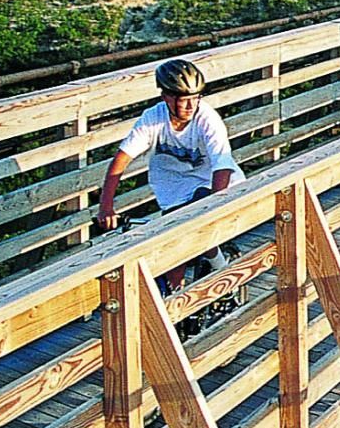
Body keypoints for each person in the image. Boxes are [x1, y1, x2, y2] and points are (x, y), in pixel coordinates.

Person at [96, 58, 247, 295]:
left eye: (195, 98)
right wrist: (106, 207)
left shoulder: (207, 118)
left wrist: (215, 207)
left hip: (212, 181)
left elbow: (222, 163)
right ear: (166, 96)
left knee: (196, 228)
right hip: (174, 188)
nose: (190, 106)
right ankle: (175, 298)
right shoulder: (153, 119)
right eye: (183, 99)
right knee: (171, 248)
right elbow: (121, 161)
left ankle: (224, 274)